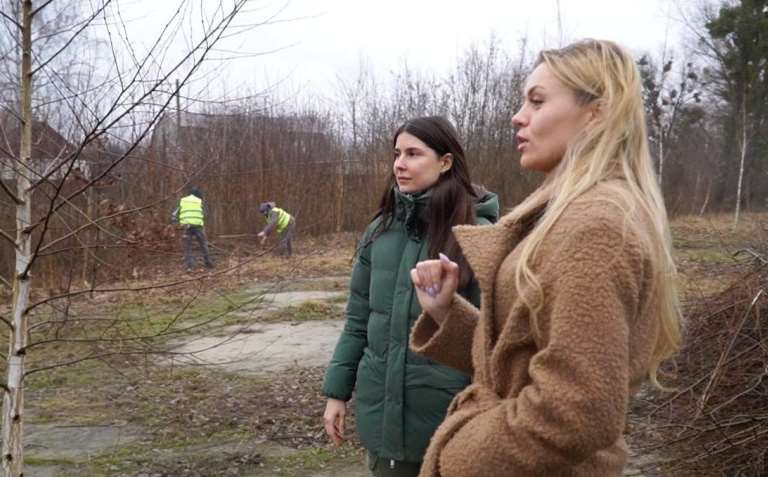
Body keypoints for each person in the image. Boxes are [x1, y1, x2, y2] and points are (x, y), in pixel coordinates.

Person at [408, 39, 682, 477]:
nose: (518, 116)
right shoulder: (574, 212)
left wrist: (458, 455)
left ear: (596, 113)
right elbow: (527, 354)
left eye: (537, 101)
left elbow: (576, 409)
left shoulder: (595, 227)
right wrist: (447, 314)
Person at [321, 116, 499, 476]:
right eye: (397, 154)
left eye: (413, 154)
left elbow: (493, 341)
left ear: (445, 162)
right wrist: (337, 393)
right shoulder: (380, 231)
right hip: (380, 417)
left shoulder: (478, 236)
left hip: (450, 422)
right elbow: (358, 321)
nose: (399, 164)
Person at [171, 187, 213, 271]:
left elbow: (174, 215)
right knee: (203, 244)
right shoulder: (200, 201)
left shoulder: (182, 200)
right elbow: (205, 214)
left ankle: (190, 266)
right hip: (198, 226)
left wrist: (177, 223)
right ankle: (207, 262)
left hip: (186, 227)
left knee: (188, 247)